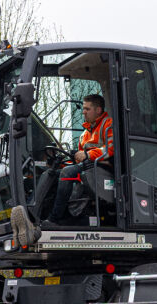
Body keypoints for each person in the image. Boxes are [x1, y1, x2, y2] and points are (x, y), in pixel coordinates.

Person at [44, 94, 113, 226]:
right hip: (87, 166)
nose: (83, 112)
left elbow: (111, 148)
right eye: (83, 108)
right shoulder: (85, 134)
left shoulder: (108, 124)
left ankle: (54, 219)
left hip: (103, 168)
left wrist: (88, 154)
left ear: (98, 110)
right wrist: (59, 165)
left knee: (67, 173)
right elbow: (77, 161)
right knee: (52, 174)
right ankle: (49, 215)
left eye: (87, 109)